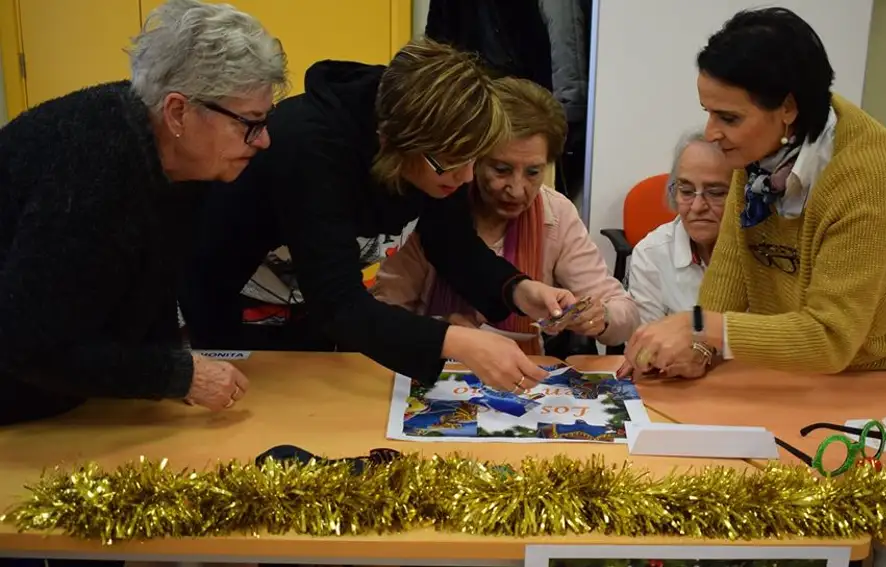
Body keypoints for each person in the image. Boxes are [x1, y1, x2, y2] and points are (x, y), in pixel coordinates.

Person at [622, 7, 886, 380]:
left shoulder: (868, 177)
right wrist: (701, 349)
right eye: (708, 112)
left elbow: (831, 337)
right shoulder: (763, 150)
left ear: (787, 107)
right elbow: (735, 262)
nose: (711, 132)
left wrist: (699, 326)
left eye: (729, 118)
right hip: (879, 316)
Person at [179, 38, 575, 394]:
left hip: (310, 315)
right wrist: (455, 342)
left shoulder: (440, 146)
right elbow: (337, 302)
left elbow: (452, 242)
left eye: (475, 159)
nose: (466, 176)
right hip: (230, 311)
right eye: (450, 164)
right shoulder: (309, 148)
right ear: (392, 143)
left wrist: (518, 289)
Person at [0, 0, 287, 426]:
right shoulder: (92, 165)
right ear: (177, 112)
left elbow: (155, 286)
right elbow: (28, 344)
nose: (262, 140)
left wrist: (170, 372)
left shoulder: (186, 162)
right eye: (249, 122)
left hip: (71, 397)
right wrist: (177, 376)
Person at [372, 77, 638, 354]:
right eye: (501, 169)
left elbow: (626, 313)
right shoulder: (431, 205)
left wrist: (600, 317)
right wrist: (442, 331)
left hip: (525, 381)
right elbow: (383, 312)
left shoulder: (556, 214)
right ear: (473, 159)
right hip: (432, 368)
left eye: (534, 172)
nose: (517, 189)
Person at [628, 130, 733, 325]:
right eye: (686, 191)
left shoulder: (762, 255)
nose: (697, 206)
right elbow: (646, 349)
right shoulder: (651, 254)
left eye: (716, 193)